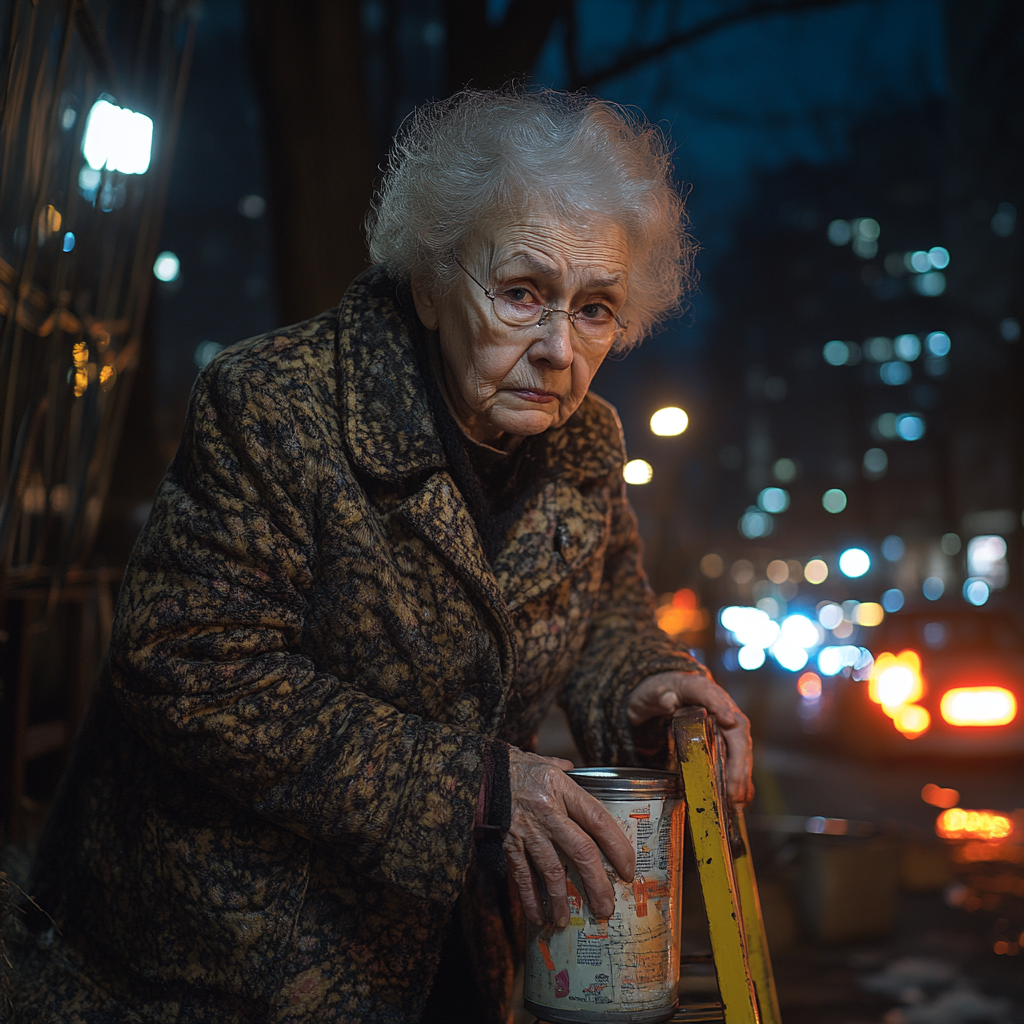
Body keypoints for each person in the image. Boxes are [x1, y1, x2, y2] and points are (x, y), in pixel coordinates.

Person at [8, 87, 752, 1024]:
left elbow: (606, 613)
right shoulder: (275, 403)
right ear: (434, 284)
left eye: (596, 308)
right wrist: (475, 792)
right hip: (223, 964)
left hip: (447, 953)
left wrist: (645, 682)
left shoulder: (585, 441)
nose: (559, 347)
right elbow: (186, 665)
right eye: (522, 293)